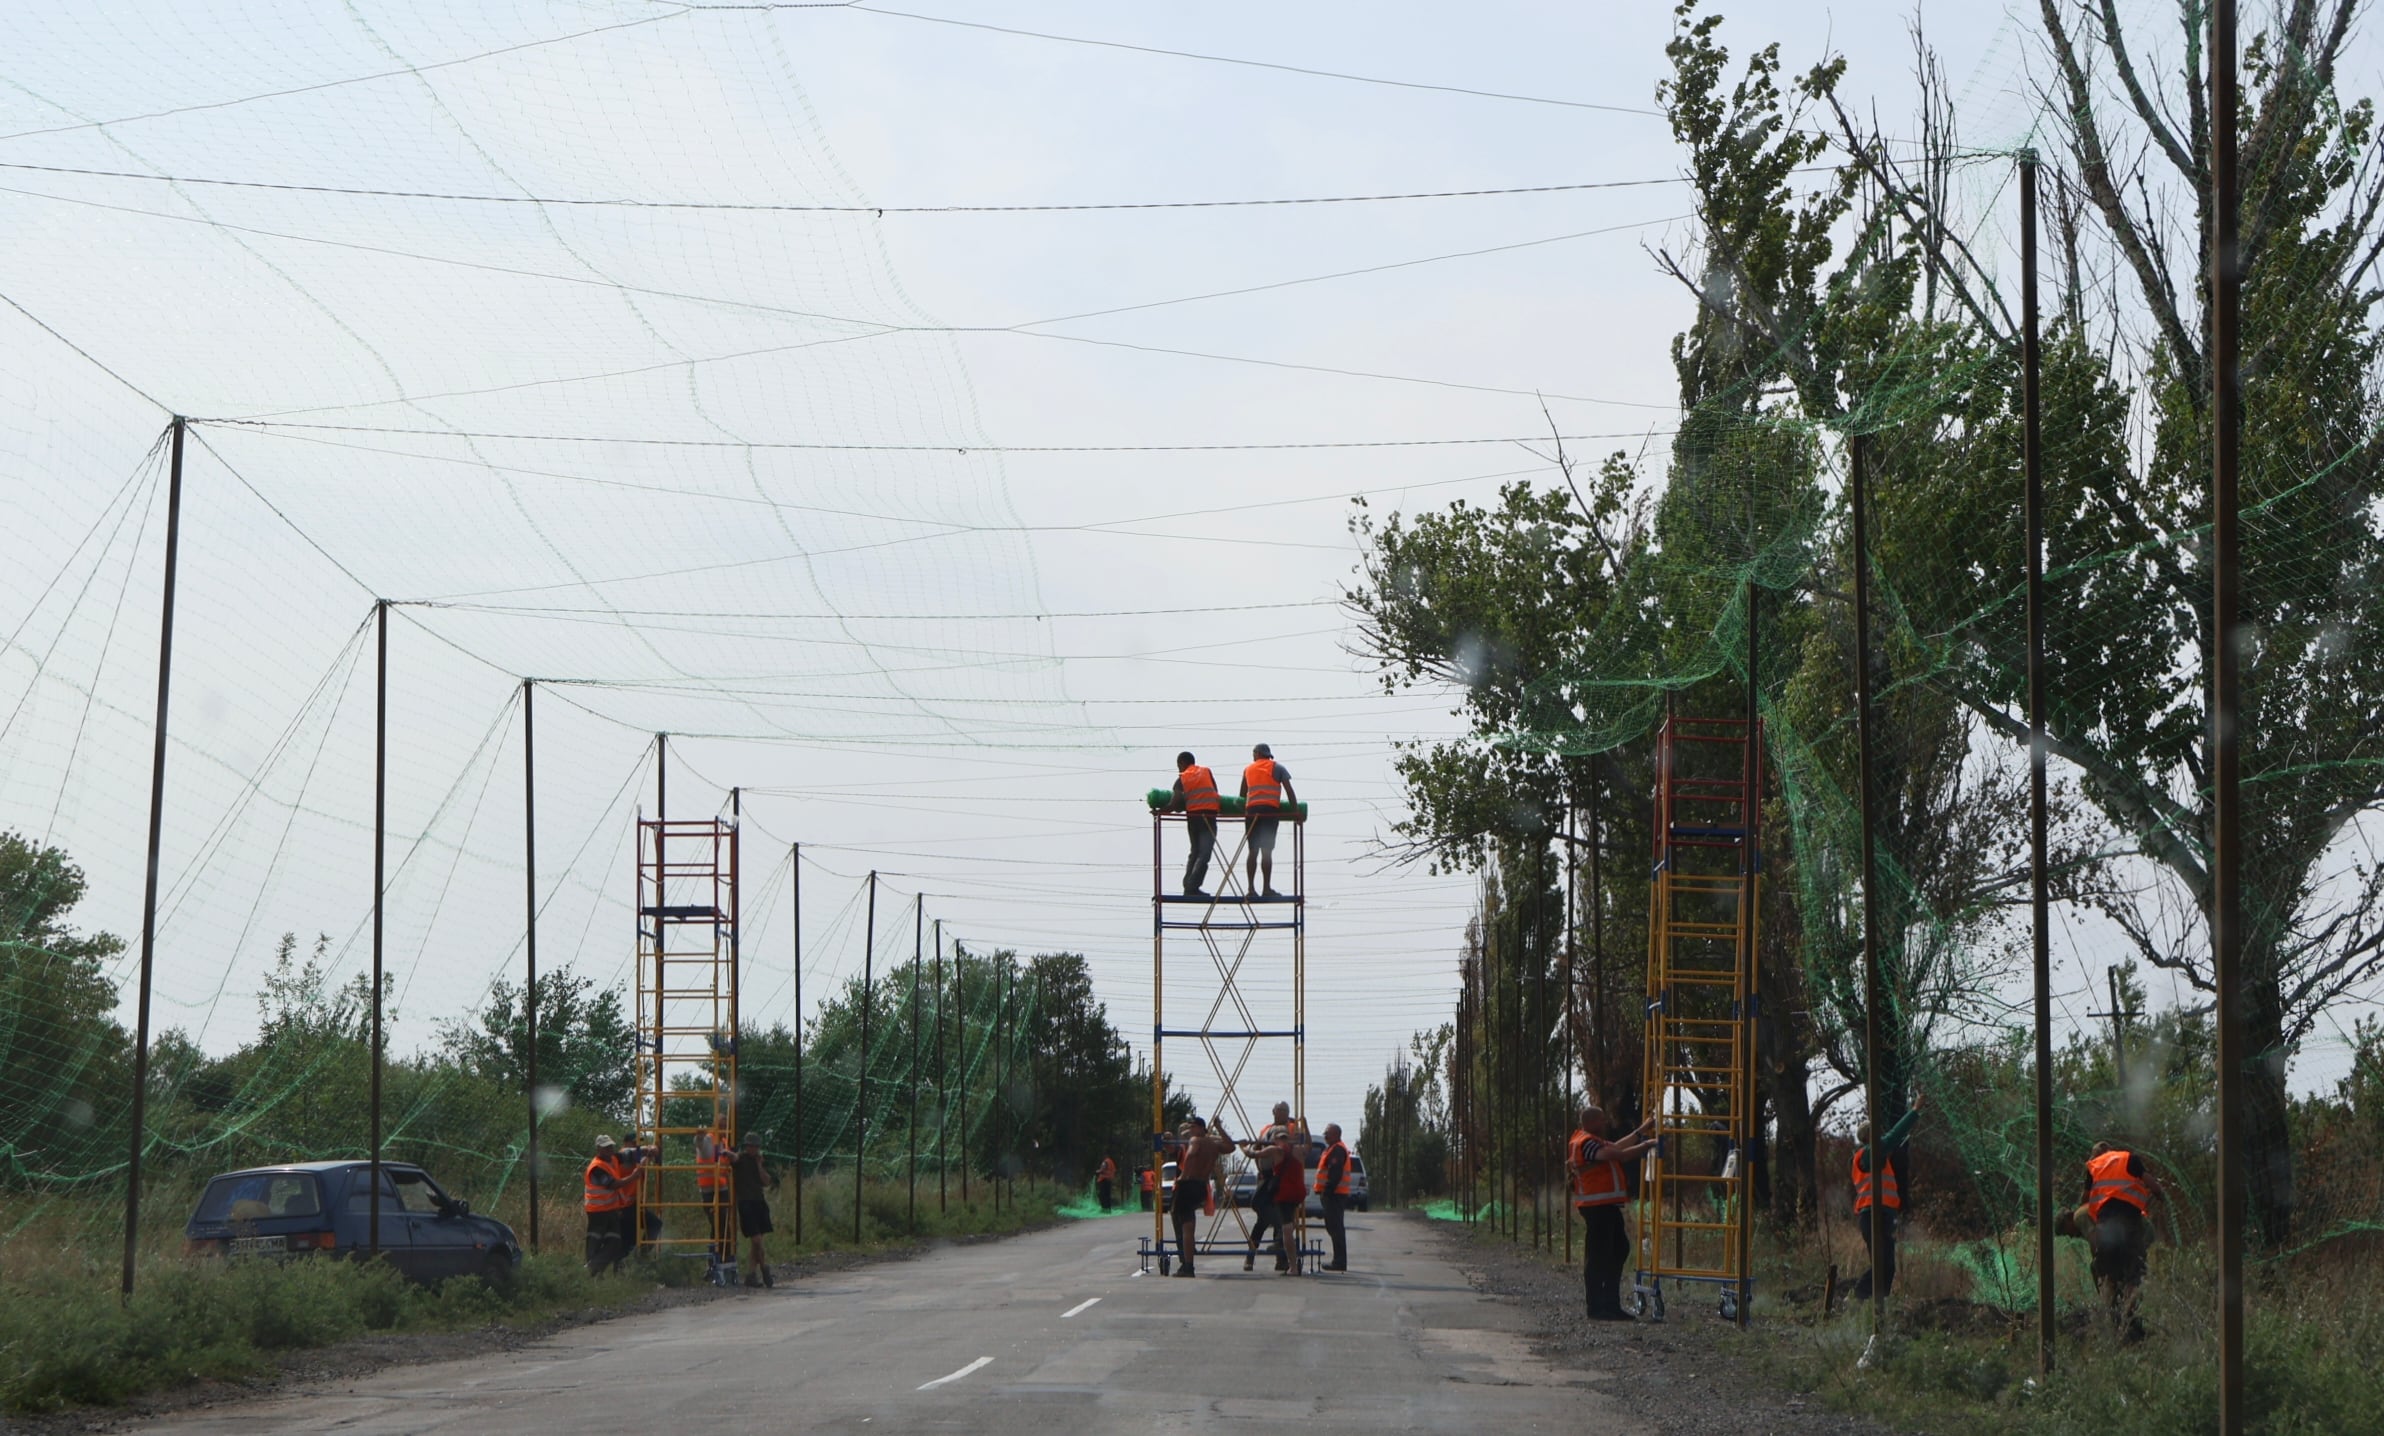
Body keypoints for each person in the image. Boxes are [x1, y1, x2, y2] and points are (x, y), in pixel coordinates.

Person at [1568, 1105, 1657, 1319]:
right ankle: (1599, 1307)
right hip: (1597, 1207)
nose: (1605, 1122)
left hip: (1605, 1206)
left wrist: (1642, 1130)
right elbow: (1620, 1155)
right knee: (1600, 1256)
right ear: (1590, 1122)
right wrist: (1648, 1144)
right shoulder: (1586, 1143)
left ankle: (1609, 1304)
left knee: (1617, 1249)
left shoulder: (1591, 1141)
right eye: (1601, 1119)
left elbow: (1616, 1147)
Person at [2077, 1139, 2159, 1339]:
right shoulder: (2129, 1159)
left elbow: (2084, 1201)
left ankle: (2111, 1325)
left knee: (2108, 1277)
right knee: (2134, 1276)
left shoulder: (2093, 1167)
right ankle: (2129, 1319)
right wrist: (2156, 1199)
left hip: (2107, 1229)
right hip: (2132, 1226)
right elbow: (2155, 1187)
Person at [1849, 1091, 1926, 1302]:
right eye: (1877, 1133)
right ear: (1868, 1137)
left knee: (1887, 1266)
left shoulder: (1876, 1156)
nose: (1881, 1136)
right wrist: (1915, 1111)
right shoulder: (1866, 1154)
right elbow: (1893, 1137)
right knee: (1882, 1264)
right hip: (1873, 1215)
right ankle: (1859, 1297)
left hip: (1883, 1215)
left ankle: (1877, 1307)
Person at [1242, 1104, 1304, 1272]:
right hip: (1267, 1176)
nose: (1282, 1114)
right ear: (1273, 1112)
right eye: (1280, 1111)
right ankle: (1251, 1256)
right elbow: (1256, 1149)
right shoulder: (1266, 1129)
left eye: (1285, 1111)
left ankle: (1282, 1259)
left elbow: (1300, 1145)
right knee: (1262, 1218)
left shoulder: (1292, 1128)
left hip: (1281, 1178)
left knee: (1281, 1221)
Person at [1170, 1117, 1235, 1277]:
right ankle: (1187, 1261)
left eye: (1193, 1127)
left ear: (1200, 1128)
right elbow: (1231, 1146)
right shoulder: (1213, 1144)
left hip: (1188, 1184)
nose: (1191, 1130)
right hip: (1201, 1185)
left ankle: (1187, 1265)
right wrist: (1219, 1128)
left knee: (1184, 1225)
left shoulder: (1195, 1140)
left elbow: (1191, 1155)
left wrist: (1182, 1177)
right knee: (1189, 1225)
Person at [1238, 744, 1299, 899]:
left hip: (1252, 811)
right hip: (1269, 812)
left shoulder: (1248, 770)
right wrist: (1295, 812)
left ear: (1257, 754)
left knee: (1252, 851)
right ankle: (1266, 888)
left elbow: (1242, 794)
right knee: (1266, 851)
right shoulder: (1278, 767)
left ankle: (1251, 889)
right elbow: (1289, 791)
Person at [1164, 752, 1222, 898]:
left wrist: (1161, 811)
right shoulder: (1206, 771)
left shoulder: (1182, 778)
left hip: (1194, 818)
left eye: (1178, 766)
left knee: (1195, 851)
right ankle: (1192, 886)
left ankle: (1188, 886)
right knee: (1204, 853)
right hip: (1208, 816)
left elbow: (1175, 802)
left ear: (1182, 763)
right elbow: (1215, 792)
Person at [582, 1135, 636, 1276]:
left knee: (614, 1242)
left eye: (611, 1146)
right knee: (595, 1241)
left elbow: (628, 1154)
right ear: (599, 1149)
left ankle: (594, 1269)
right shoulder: (596, 1167)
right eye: (606, 1147)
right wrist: (634, 1176)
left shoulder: (612, 1158)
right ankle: (592, 1270)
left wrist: (649, 1150)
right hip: (597, 1212)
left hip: (610, 1210)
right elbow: (613, 1184)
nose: (610, 1149)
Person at [732, 1134, 777, 1288]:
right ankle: (764, 1268)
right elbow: (733, 1158)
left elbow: (766, 1181)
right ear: (746, 1146)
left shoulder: (759, 1161)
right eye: (751, 1146)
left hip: (759, 1202)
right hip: (746, 1202)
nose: (754, 1149)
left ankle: (751, 1274)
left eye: (756, 1146)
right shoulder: (740, 1158)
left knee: (756, 1243)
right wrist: (726, 1152)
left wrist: (759, 1165)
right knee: (756, 1240)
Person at [1314, 1123, 1355, 1272]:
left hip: (1335, 1195)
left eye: (1327, 1133)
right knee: (1333, 1227)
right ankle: (1338, 1260)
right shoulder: (1332, 1149)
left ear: (1337, 1134)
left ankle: (1339, 1262)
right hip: (1334, 1195)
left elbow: (1335, 1174)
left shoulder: (1337, 1150)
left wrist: (1327, 1191)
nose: (1325, 1135)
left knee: (1336, 1227)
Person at [695, 1128, 734, 1263]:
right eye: (722, 1125)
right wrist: (699, 1138)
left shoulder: (725, 1141)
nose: (725, 1129)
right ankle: (718, 1259)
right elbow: (701, 1145)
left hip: (722, 1188)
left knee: (721, 1224)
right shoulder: (709, 1139)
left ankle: (721, 1258)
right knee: (717, 1224)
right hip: (708, 1190)